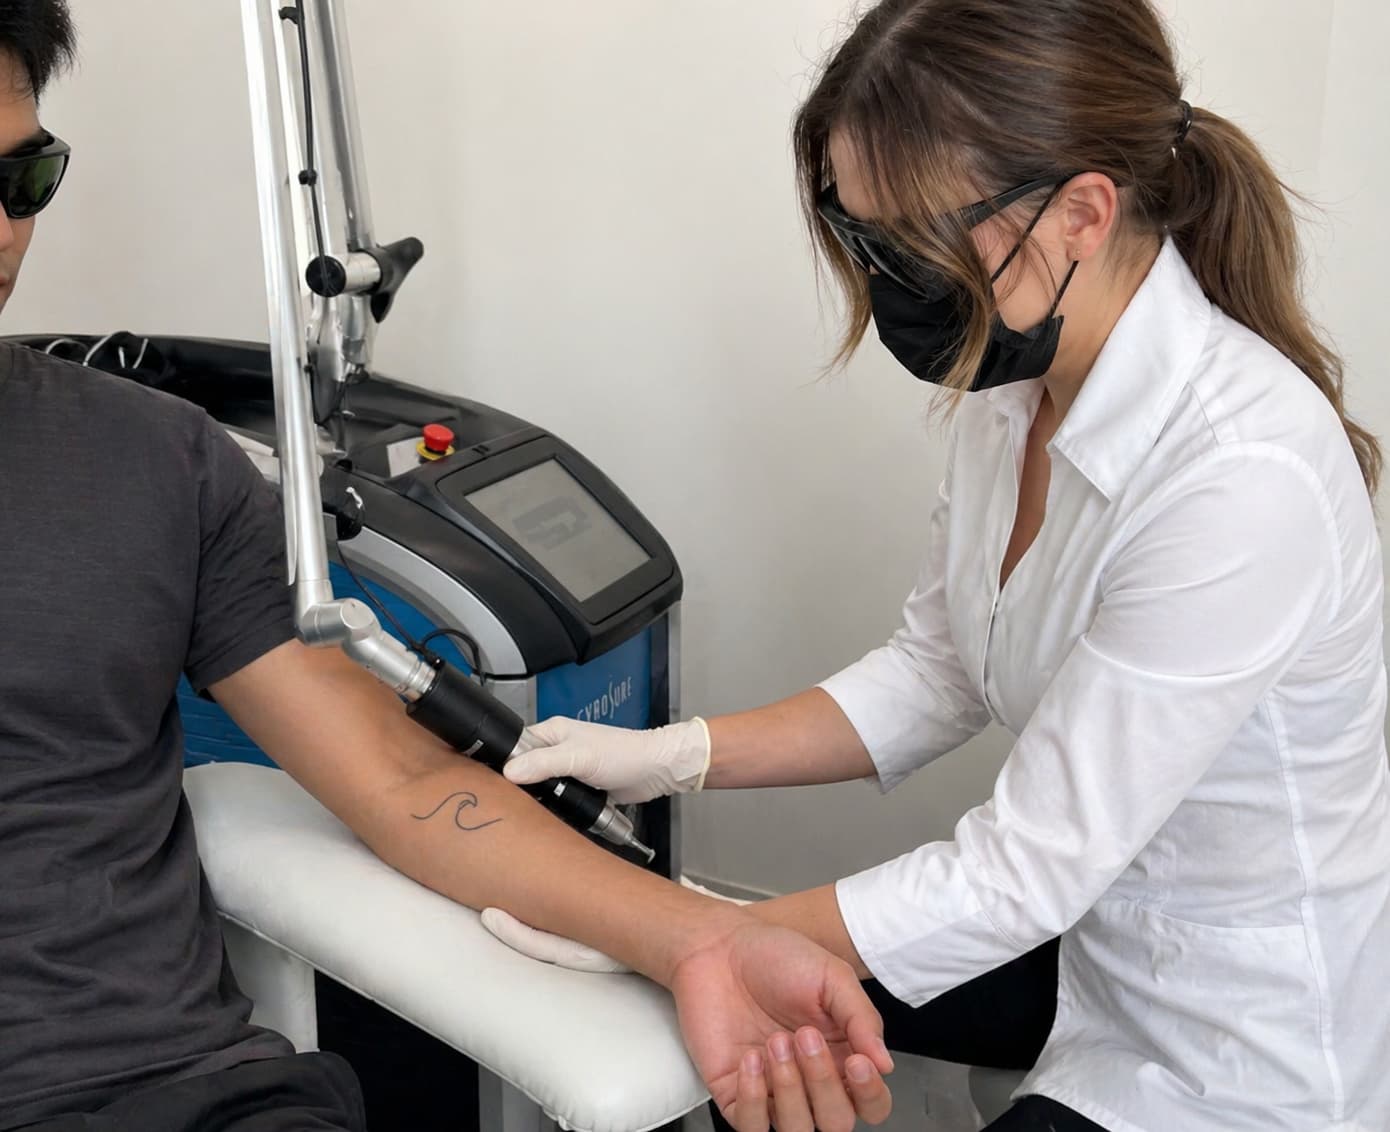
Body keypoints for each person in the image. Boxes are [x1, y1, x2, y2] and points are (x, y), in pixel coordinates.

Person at [487, 1, 1390, 1129]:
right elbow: (941, 671)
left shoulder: (1241, 474)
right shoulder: (1012, 387)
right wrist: (680, 755)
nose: (882, 281)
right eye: (858, 235)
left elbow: (1024, 870)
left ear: (1079, 213)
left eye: (907, 241)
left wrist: (679, 930)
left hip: (1238, 1048)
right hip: (1094, 949)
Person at [0, 5, 896, 1131]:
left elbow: (404, 778)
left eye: (21, 180)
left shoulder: (153, 460)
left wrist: (702, 936)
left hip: (184, 1098)